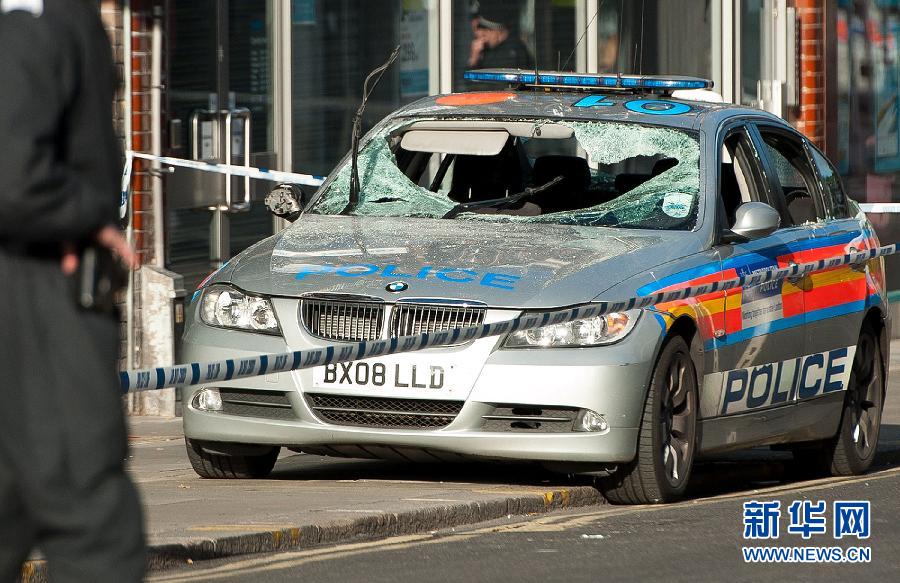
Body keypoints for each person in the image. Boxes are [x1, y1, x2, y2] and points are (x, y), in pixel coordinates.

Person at [0, 1, 145, 581]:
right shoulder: (37, 13)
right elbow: (12, 176)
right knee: (94, 526)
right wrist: (85, 216)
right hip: (34, 289)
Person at [468, 0, 534, 70]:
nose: (482, 40)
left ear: (498, 32)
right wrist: (474, 60)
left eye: (485, 35)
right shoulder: (487, 49)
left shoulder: (511, 53)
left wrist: (474, 62)